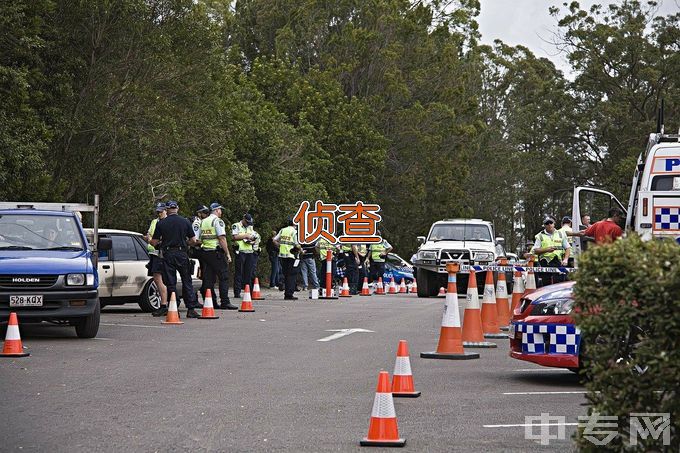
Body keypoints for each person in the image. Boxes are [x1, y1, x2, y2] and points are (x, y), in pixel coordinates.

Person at [150, 200, 201, 318]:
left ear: (167, 210)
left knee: (171, 282)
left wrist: (153, 241)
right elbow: (193, 241)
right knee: (186, 281)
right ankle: (191, 309)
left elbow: (154, 242)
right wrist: (184, 243)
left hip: (168, 254)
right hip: (182, 253)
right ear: (177, 209)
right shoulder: (185, 222)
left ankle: (174, 308)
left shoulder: (162, 223)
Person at [198, 203, 237, 310]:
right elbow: (222, 238)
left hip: (205, 252)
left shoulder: (203, 221)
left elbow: (198, 239)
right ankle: (225, 302)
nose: (221, 212)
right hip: (216, 253)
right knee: (223, 277)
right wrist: (228, 253)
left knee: (209, 279)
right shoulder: (217, 221)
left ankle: (211, 302)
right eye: (220, 210)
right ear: (216, 210)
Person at [530, 217, 571, 287]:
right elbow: (535, 250)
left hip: (558, 262)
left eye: (551, 223)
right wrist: (547, 249)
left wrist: (566, 259)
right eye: (547, 223)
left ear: (554, 224)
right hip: (545, 262)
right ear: (544, 225)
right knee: (546, 284)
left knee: (559, 283)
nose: (549, 225)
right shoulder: (540, 236)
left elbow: (567, 248)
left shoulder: (561, 234)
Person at [145, 202, 168, 316]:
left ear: (166, 211)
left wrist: (152, 241)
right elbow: (149, 234)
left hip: (161, 254)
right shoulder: (155, 222)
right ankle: (165, 304)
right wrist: (149, 239)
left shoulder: (167, 222)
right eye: (158, 211)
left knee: (160, 280)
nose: (159, 213)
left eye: (161, 211)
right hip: (153, 253)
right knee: (157, 279)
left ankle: (164, 304)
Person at [273, 218, 301, 300]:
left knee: (286, 274)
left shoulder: (283, 230)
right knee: (292, 275)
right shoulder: (294, 231)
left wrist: (280, 246)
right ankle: (289, 294)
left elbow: (274, 240)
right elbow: (297, 245)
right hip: (291, 256)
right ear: (294, 224)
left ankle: (285, 291)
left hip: (282, 255)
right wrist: (301, 250)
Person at [232, 213, 256, 298]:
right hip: (240, 251)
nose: (248, 224)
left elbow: (253, 236)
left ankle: (248, 291)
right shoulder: (236, 225)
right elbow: (234, 237)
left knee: (248, 273)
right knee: (239, 272)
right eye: (247, 222)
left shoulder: (250, 226)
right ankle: (237, 292)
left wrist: (252, 240)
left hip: (249, 251)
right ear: (244, 219)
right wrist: (245, 236)